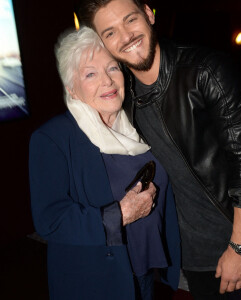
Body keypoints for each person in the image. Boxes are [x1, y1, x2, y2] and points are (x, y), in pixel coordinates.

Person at [78, 0, 241, 299]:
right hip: (198, 252)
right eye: (110, 32)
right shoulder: (122, 97)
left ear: (148, 14)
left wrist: (239, 247)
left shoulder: (206, 71)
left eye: (130, 20)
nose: (126, 36)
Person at [29, 26, 180, 300]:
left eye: (112, 68)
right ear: (72, 89)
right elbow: (50, 220)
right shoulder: (53, 138)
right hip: (94, 283)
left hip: (144, 274)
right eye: (90, 74)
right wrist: (119, 214)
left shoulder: (138, 126)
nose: (108, 81)